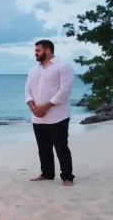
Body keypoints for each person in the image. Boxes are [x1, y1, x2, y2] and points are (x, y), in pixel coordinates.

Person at [25, 39, 75, 186]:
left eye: (38, 50)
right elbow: (27, 90)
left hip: (57, 116)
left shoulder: (63, 67)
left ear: (47, 50)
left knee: (61, 147)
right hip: (37, 118)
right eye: (35, 51)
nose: (35, 53)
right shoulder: (33, 70)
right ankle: (47, 173)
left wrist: (46, 107)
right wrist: (33, 107)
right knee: (43, 148)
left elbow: (64, 90)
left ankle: (67, 177)